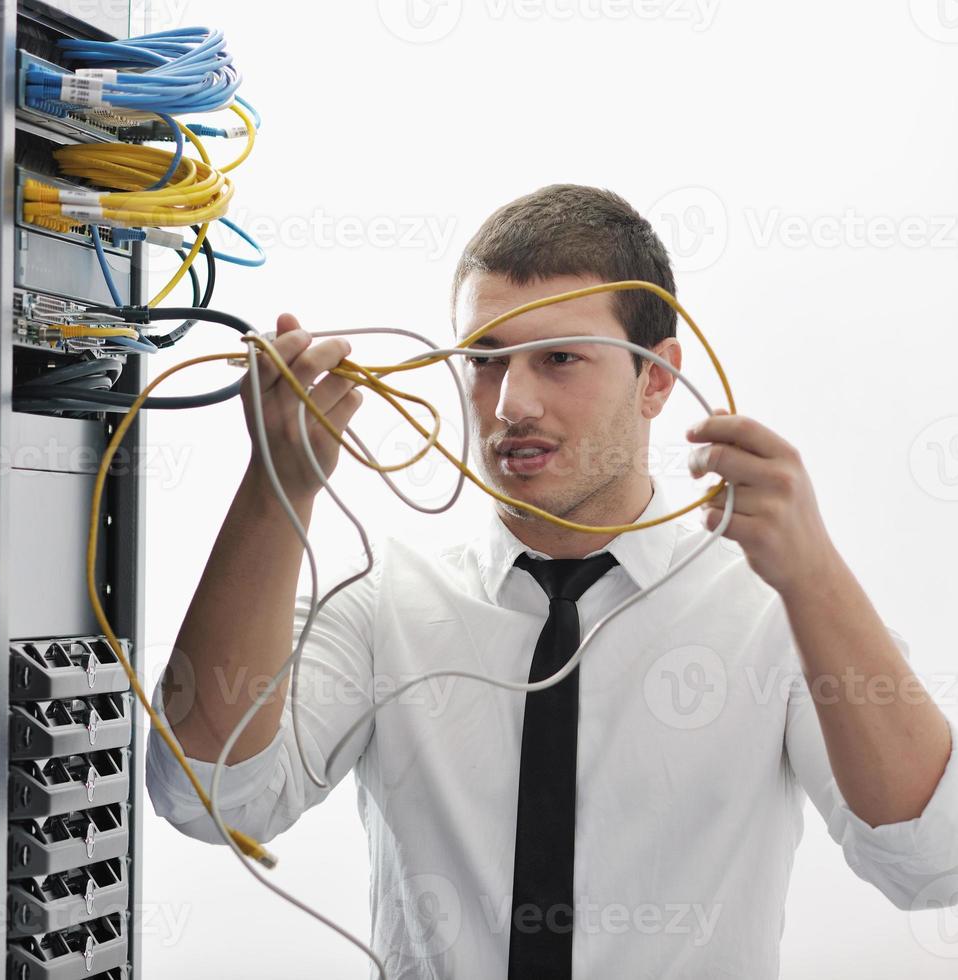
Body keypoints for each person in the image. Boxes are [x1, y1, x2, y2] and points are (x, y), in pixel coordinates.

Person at [144, 184, 958, 978]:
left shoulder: (772, 606)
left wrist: (813, 576)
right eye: (485, 361)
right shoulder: (384, 596)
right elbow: (207, 798)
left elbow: (933, 865)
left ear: (657, 379)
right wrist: (272, 491)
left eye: (560, 358)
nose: (511, 405)